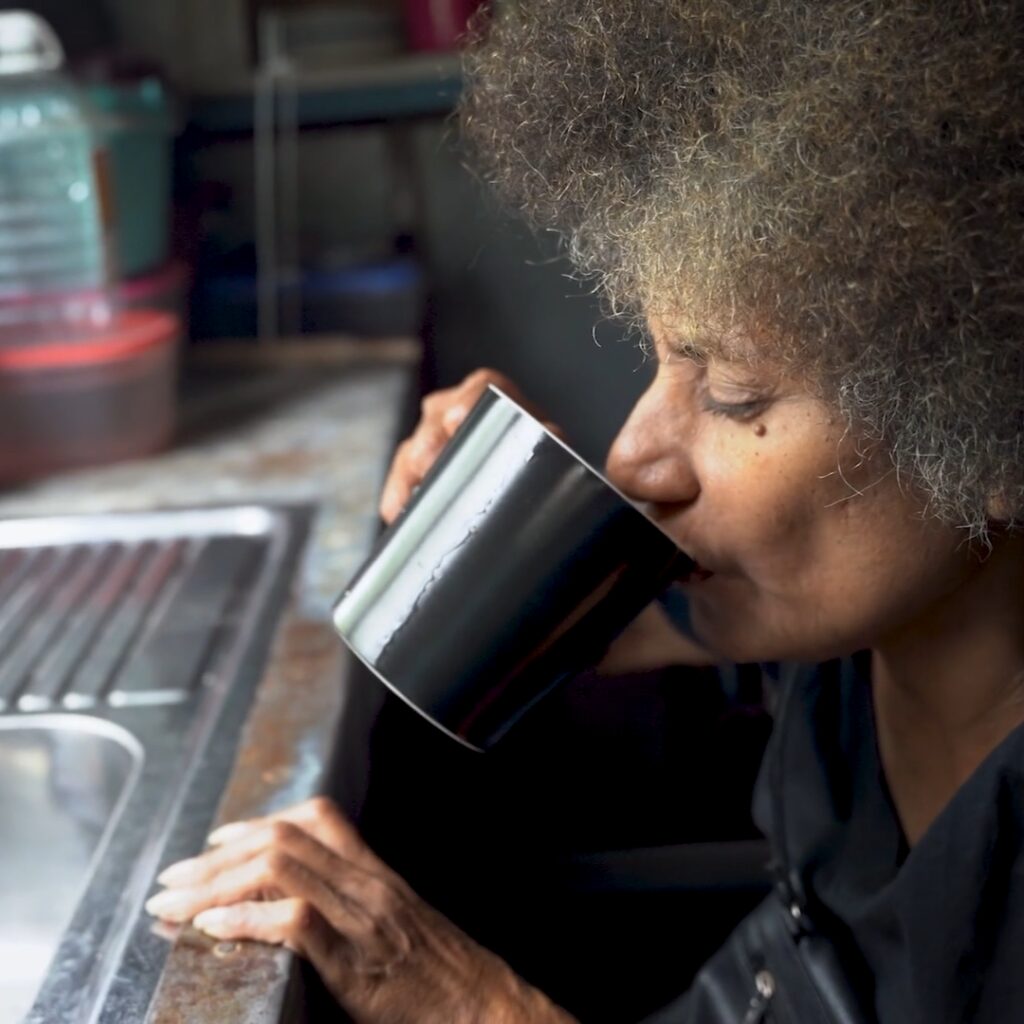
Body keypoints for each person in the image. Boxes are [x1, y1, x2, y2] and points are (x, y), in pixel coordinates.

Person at [146, 2, 1024, 1021]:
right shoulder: (837, 622)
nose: (634, 454)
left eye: (734, 393)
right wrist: (515, 535)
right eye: (661, 359)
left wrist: (474, 1006)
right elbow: (617, 631)